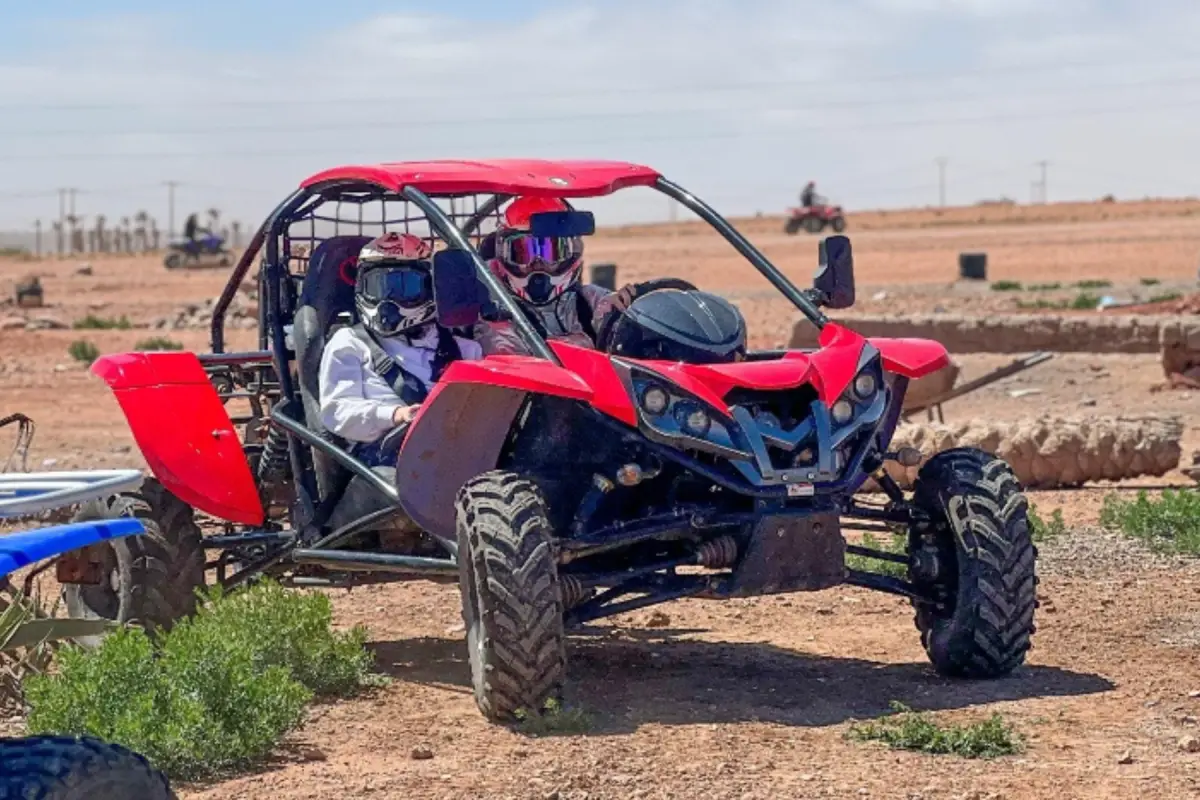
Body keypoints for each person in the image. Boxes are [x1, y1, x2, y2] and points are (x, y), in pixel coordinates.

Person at [318, 232, 482, 466]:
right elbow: (338, 412)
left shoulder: (466, 350)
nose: (388, 300)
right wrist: (395, 415)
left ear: (431, 289)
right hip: (382, 462)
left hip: (457, 455)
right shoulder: (349, 343)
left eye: (404, 286)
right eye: (378, 286)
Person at [474, 196, 668, 355]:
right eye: (525, 252)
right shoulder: (492, 309)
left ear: (572, 253)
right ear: (503, 254)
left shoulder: (588, 300)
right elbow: (513, 361)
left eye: (551, 252)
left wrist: (628, 315)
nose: (538, 265)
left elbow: (615, 321)